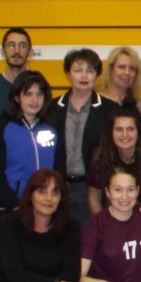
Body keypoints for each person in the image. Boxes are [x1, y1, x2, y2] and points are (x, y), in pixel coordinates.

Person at [45, 47, 114, 220]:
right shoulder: (50, 109)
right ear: (68, 74)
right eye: (78, 70)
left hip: (92, 189)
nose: (84, 76)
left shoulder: (110, 110)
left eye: (90, 71)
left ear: (97, 75)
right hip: (57, 187)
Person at [0, 71, 57, 214]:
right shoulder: (3, 127)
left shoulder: (51, 128)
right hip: (10, 208)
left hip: (46, 206)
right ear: (17, 97)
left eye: (39, 94)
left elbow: (58, 167)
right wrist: (13, 204)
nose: (34, 100)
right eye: (28, 94)